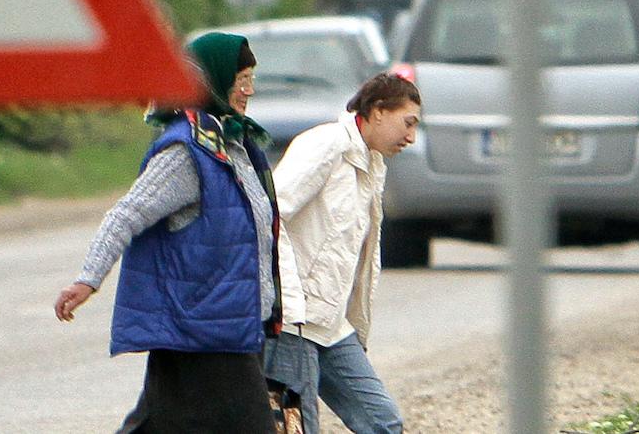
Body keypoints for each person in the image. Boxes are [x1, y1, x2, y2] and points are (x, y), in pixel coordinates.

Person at [54, 32, 292, 433]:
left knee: (159, 425)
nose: (249, 90)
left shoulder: (234, 145)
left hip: (232, 324)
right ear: (213, 80)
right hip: (205, 329)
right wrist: (88, 279)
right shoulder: (186, 153)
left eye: (252, 78)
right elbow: (126, 214)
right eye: (242, 79)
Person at [263, 72, 421, 434]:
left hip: (332, 326)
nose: (411, 137)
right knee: (295, 427)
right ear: (378, 111)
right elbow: (271, 214)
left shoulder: (371, 163)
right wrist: (287, 298)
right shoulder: (327, 145)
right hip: (293, 323)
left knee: (382, 421)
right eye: (407, 123)